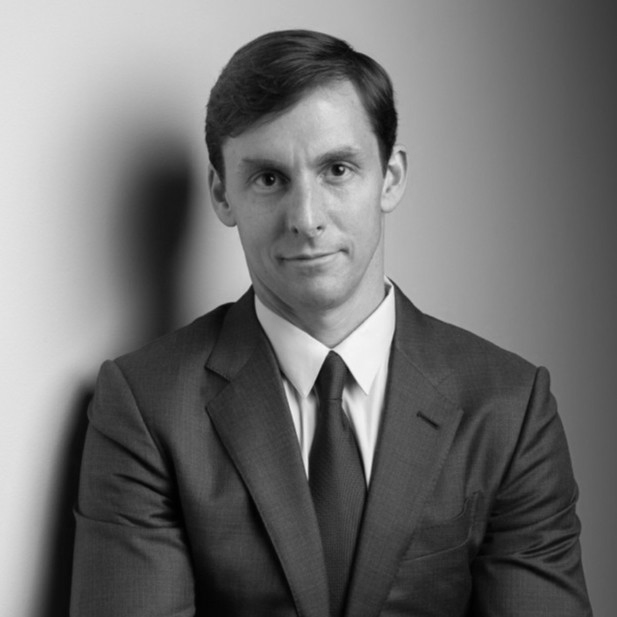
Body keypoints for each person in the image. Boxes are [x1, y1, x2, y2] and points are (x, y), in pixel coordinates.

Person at [70, 29, 592, 616]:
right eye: (269, 178)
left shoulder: (508, 407)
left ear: (390, 177)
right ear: (222, 195)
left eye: (337, 169)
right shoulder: (145, 406)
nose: (306, 217)